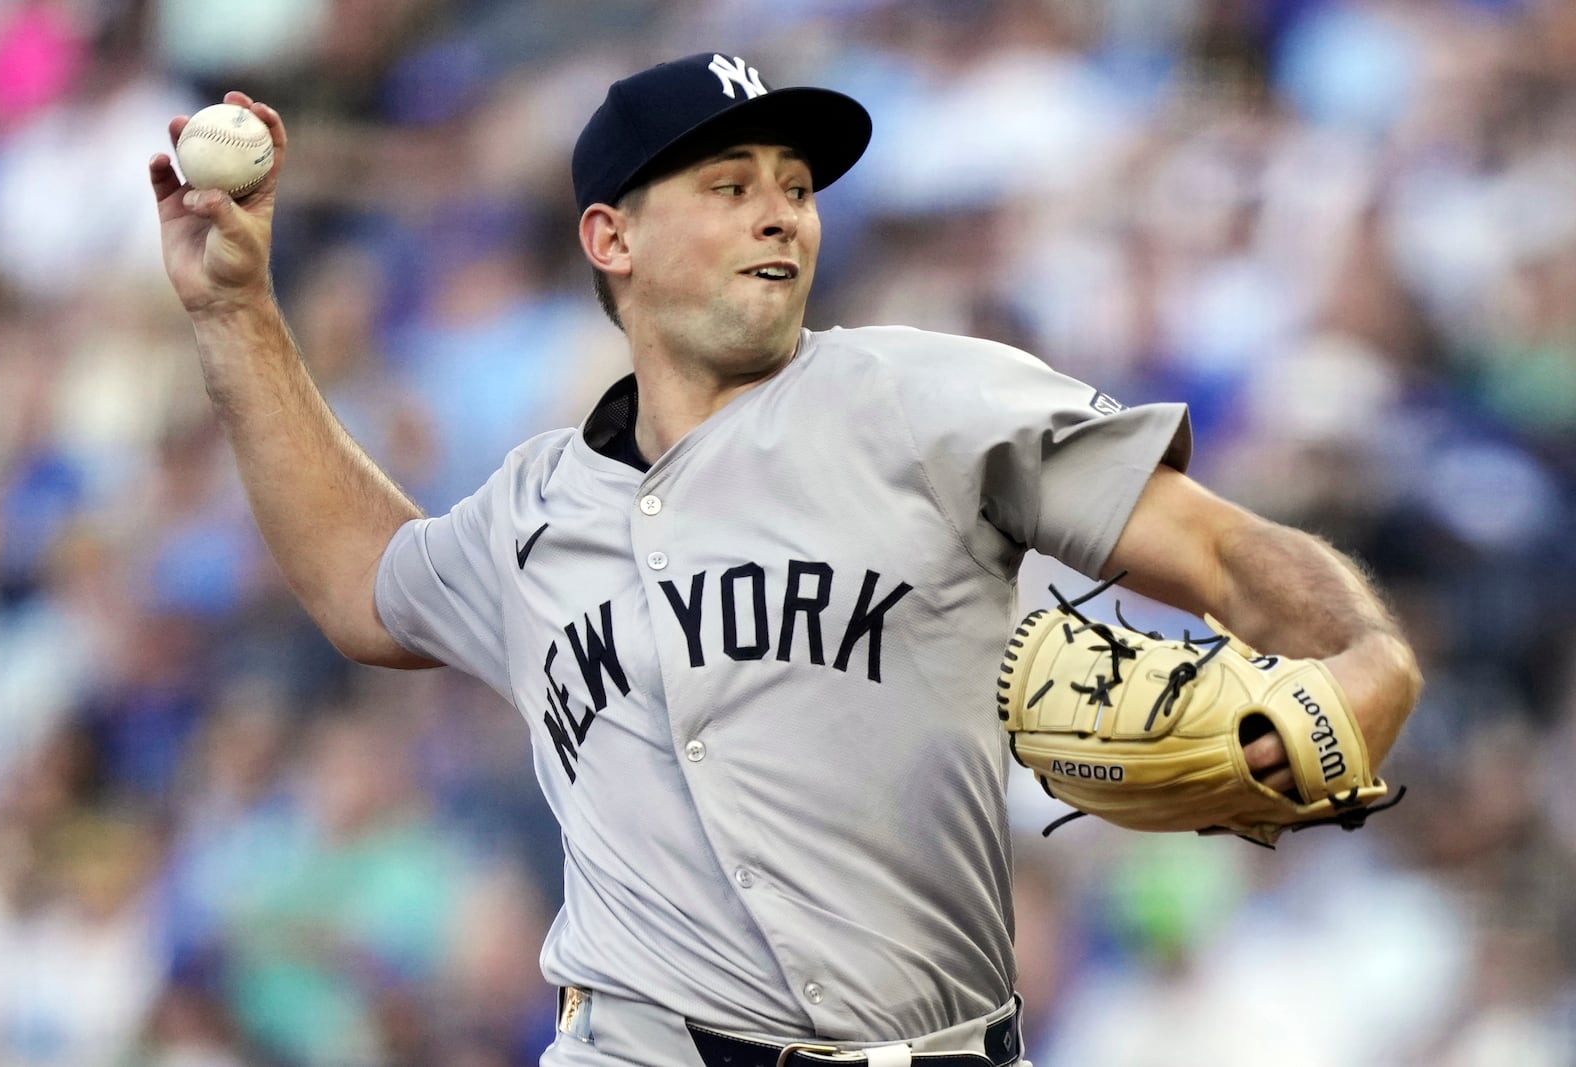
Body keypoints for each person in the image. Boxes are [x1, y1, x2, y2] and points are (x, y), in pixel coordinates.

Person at [149, 51, 1423, 1067]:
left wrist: (1356, 660)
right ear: (611, 239)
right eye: (730, 184)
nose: (781, 215)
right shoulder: (532, 508)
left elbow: (1221, 549)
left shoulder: (925, 395)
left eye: (796, 187)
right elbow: (358, 583)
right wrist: (235, 309)